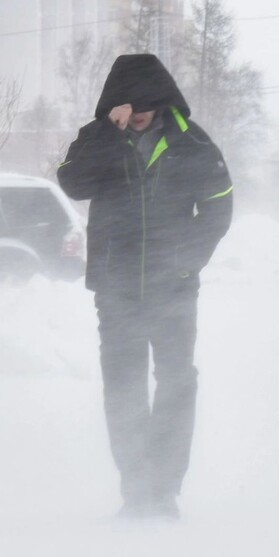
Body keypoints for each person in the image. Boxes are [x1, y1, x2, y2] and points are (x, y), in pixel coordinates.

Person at [57, 54, 233, 520]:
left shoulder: (193, 144)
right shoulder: (98, 139)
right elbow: (72, 182)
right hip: (115, 291)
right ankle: (135, 490)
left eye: (143, 103)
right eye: (125, 103)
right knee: (123, 388)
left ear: (161, 100)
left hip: (173, 290)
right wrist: (105, 134)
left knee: (176, 383)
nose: (135, 112)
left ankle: (166, 488)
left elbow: (218, 210)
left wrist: (182, 263)